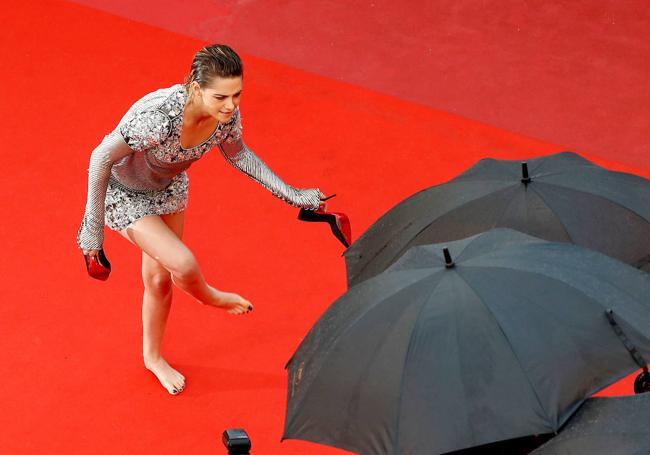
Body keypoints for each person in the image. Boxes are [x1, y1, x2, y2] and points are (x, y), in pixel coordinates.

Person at [77, 44, 324, 395]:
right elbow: (101, 157)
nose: (231, 105)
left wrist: (292, 194)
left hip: (169, 187)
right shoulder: (158, 117)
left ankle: (153, 357)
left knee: (160, 279)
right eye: (221, 96)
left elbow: (240, 156)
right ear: (195, 88)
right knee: (184, 263)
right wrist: (92, 230)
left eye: (237, 95)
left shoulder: (225, 118)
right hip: (122, 193)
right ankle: (210, 297)